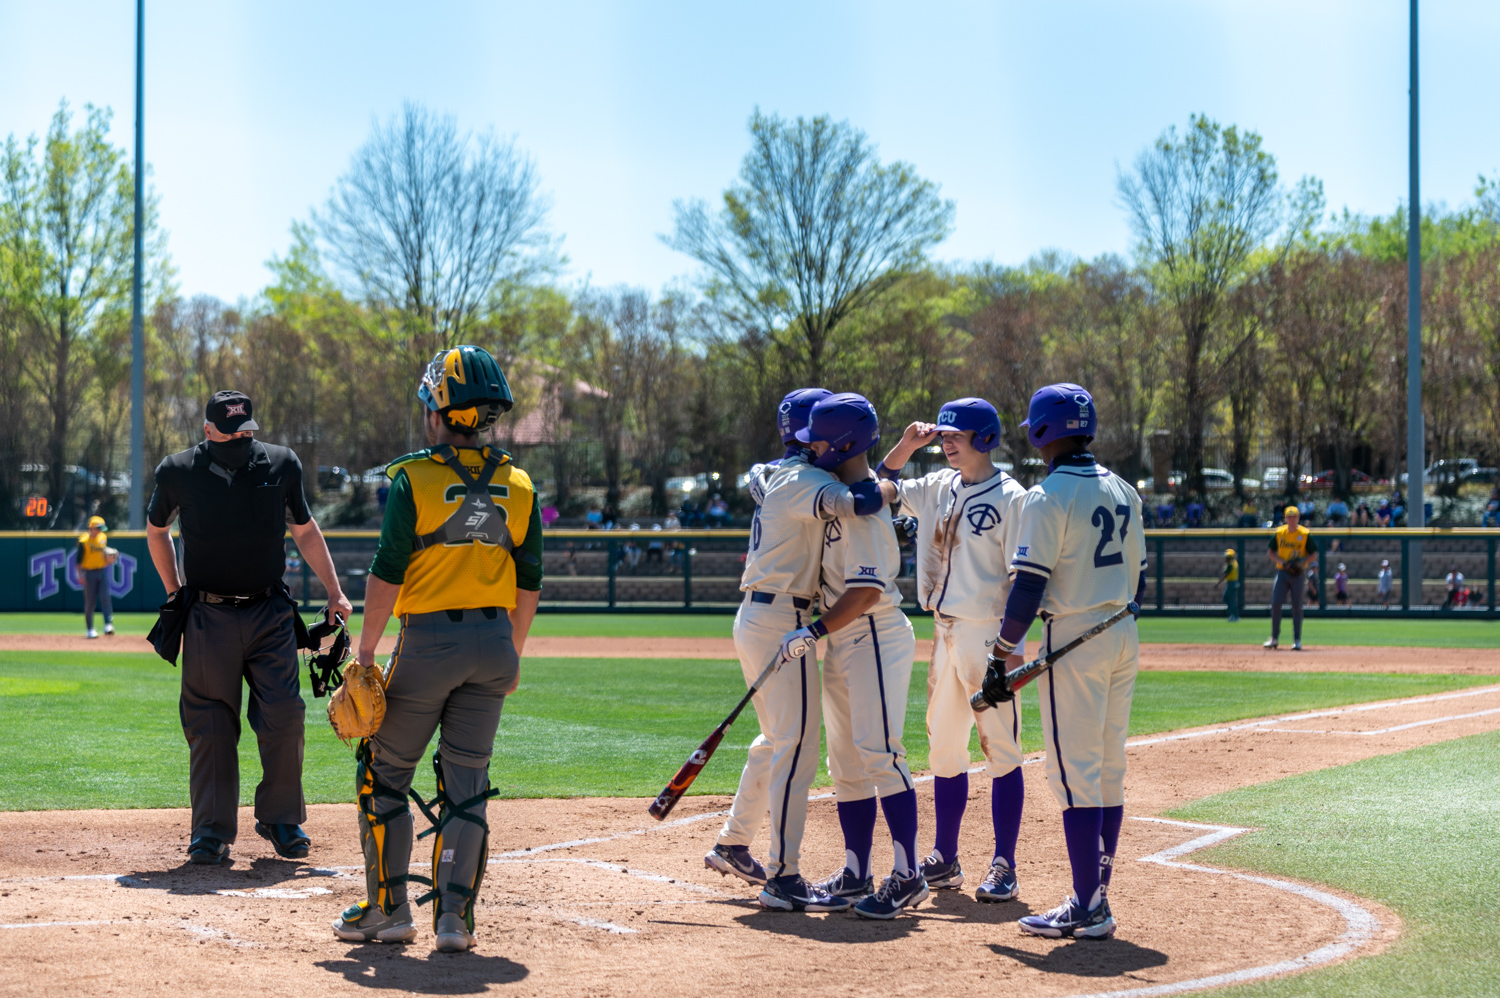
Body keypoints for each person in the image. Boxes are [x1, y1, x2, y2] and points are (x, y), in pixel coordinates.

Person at [331, 346, 542, 951]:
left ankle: (389, 912)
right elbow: (529, 581)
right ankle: (455, 921)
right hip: (494, 644)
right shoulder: (520, 484)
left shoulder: (413, 478)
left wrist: (367, 651)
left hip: (428, 644)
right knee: (467, 780)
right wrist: (514, 655)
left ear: (440, 411)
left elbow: (386, 571)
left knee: (384, 774)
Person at [703, 387, 897, 914]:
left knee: (776, 739)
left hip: (763, 614)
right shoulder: (804, 479)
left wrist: (891, 461)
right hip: (780, 618)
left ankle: (733, 842)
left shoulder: (781, 472)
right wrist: (892, 484)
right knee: (796, 749)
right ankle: (784, 876)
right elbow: (864, 498)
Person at [145, 390, 351, 866]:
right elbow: (157, 531)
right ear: (208, 431)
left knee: (285, 713)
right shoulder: (177, 470)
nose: (240, 438)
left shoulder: (281, 464)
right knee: (210, 724)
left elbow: (304, 529)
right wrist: (175, 591)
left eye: (246, 430)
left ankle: (281, 818)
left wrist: (335, 591)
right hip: (207, 614)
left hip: (269, 612)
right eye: (230, 431)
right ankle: (211, 831)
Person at [976, 383, 1145, 940]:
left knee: (1074, 773)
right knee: (1107, 769)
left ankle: (1089, 906)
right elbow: (1138, 573)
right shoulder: (1124, 489)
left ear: (1044, 431)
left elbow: (1028, 588)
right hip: (1121, 629)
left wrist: (1001, 655)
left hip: (1073, 636)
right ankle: (1094, 894)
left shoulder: (1048, 495)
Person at [876, 397, 1030, 905]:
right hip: (943, 634)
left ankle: (1004, 863)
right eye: (943, 436)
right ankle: (945, 856)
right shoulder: (938, 487)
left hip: (989, 635)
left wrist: (1006, 653)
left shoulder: (1013, 497)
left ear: (985, 438)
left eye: (955, 435)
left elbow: (1021, 578)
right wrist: (905, 445)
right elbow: (881, 487)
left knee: (1000, 749)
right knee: (943, 747)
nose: (946, 443)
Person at [795, 393, 924, 920]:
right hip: (845, 636)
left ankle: (908, 874)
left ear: (844, 444)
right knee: (846, 765)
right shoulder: (842, 496)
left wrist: (814, 629)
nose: (811, 447)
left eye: (819, 439)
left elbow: (867, 593)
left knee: (880, 753)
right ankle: (855, 872)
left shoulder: (864, 511)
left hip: (873, 631)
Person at [1265, 506, 1316, 650]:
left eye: (1295, 517)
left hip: (1298, 574)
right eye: (1289, 516)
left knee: (1297, 607)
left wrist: (1302, 562)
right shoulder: (1280, 532)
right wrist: (1282, 562)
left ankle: (1297, 640)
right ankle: (1274, 638)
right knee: (1275, 603)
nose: (1292, 519)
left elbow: (1313, 554)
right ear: (1285, 518)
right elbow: (1271, 552)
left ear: (1298, 518)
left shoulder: (1305, 533)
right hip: (1282, 572)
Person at [77, 515, 116, 638]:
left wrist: (109, 559)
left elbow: (103, 555)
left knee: (105, 597)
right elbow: (78, 560)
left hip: (102, 571)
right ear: (91, 528)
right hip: (89, 573)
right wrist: (79, 575)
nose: (100, 530)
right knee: (90, 602)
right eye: (98, 528)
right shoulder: (84, 541)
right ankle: (90, 629)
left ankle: (108, 624)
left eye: (101, 528)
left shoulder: (103, 538)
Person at [1218, 548, 1240, 622]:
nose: (1225, 558)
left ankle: (1235, 616)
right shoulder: (1234, 562)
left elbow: (1225, 575)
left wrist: (1218, 583)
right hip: (1232, 582)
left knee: (1232, 600)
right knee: (1226, 598)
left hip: (1231, 583)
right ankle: (1233, 615)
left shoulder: (1230, 564)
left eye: (1227, 557)